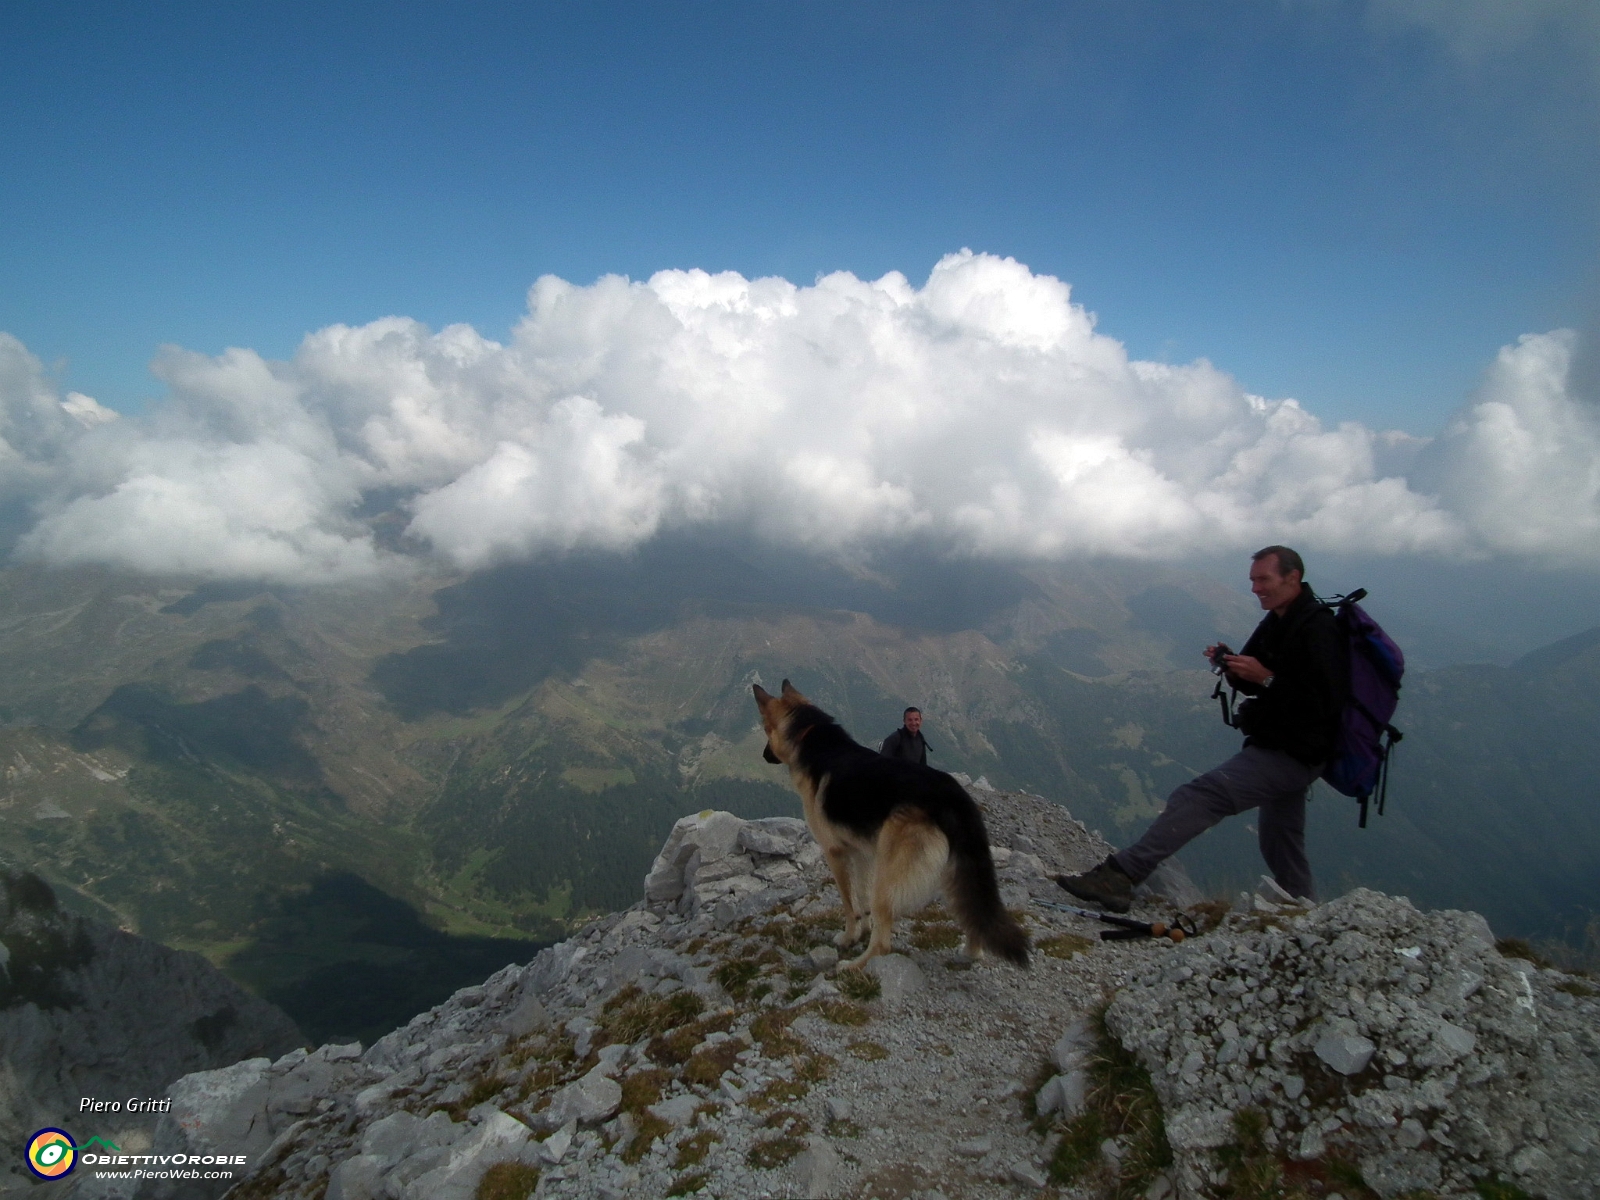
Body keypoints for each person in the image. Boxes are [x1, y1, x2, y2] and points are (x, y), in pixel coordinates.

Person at [1057, 546, 1347, 912]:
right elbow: (1254, 683)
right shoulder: (1278, 619)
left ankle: (1120, 876)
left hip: (1295, 753)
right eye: (1253, 580)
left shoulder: (1319, 627)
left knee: (1198, 797)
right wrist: (1232, 665)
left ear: (1293, 577)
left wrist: (1268, 678)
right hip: (1278, 744)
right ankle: (1307, 914)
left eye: (1263, 579)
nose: (1256, 588)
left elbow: (1324, 704)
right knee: (1281, 839)